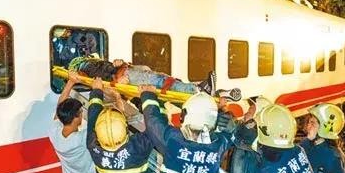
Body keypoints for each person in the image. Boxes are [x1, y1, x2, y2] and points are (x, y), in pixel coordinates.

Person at [69, 55, 241, 99]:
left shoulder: (93, 64)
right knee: (161, 81)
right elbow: (102, 82)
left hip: (127, 71)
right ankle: (198, 89)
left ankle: (215, 92)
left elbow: (112, 68)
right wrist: (118, 79)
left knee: (164, 79)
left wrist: (120, 62)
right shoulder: (85, 70)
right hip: (126, 76)